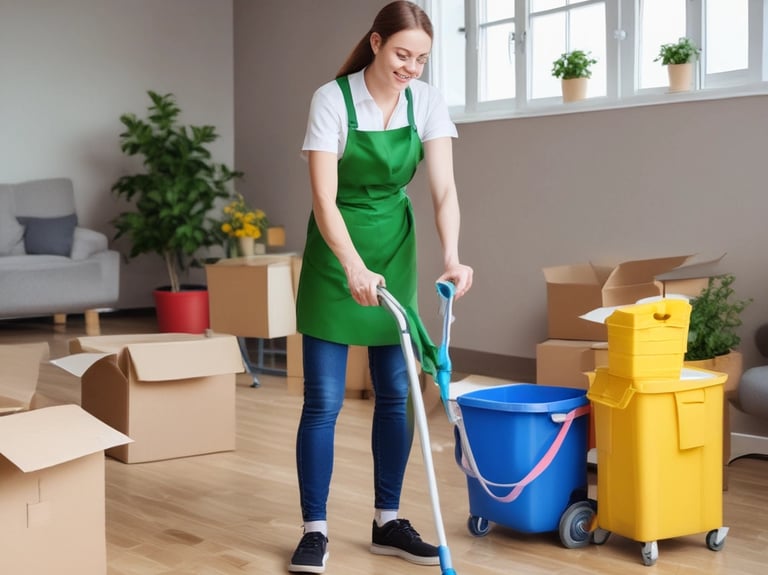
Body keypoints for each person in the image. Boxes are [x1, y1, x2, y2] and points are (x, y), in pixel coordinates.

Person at [290, 1, 473, 572]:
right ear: (375, 43)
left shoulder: (427, 103)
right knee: (323, 400)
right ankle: (314, 529)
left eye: (421, 58)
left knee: (398, 394)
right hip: (335, 253)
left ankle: (387, 522)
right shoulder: (333, 99)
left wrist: (452, 257)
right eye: (402, 54)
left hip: (394, 250)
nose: (411, 67)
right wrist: (350, 265)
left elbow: (443, 190)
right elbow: (324, 197)